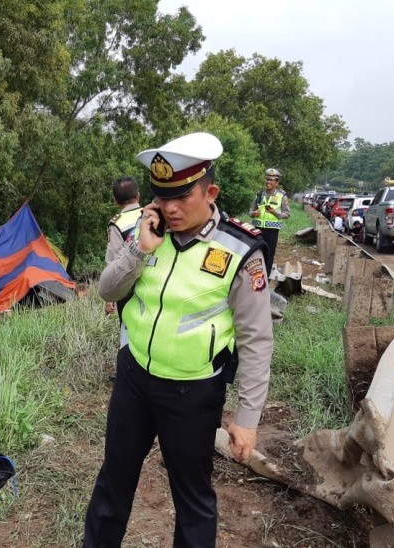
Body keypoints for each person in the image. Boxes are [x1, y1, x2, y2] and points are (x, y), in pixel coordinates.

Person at [84, 132, 274, 548]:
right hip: (134, 379)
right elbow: (107, 291)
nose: (169, 208)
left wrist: (247, 419)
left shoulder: (241, 249)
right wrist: (139, 249)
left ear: (211, 192)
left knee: (193, 501)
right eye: (161, 196)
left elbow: (257, 339)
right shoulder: (144, 231)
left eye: (182, 197)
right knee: (112, 485)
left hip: (193, 392)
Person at [104, 176, 143, 315]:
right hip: (153, 282)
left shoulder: (116, 223)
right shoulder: (152, 214)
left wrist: (110, 297)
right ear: (138, 195)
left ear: (115, 201)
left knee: (128, 328)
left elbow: (113, 259)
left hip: (128, 287)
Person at [249, 167, 290, 269]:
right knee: (255, 254)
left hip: (272, 231)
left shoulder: (282, 196)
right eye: (267, 179)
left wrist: (275, 213)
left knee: (269, 255)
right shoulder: (259, 194)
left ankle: (266, 277)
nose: (268, 182)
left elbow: (287, 214)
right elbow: (250, 212)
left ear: (276, 182)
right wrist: (254, 213)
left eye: (271, 180)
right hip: (257, 230)